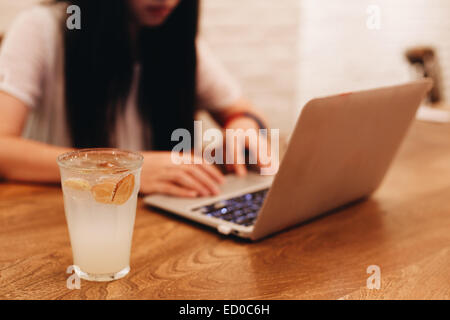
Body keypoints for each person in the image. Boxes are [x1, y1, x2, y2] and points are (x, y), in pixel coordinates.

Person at [0, 0, 271, 198]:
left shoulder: (175, 39)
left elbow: (242, 112)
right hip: (65, 218)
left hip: (155, 222)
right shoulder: (42, 29)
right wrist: (124, 169)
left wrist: (243, 124)